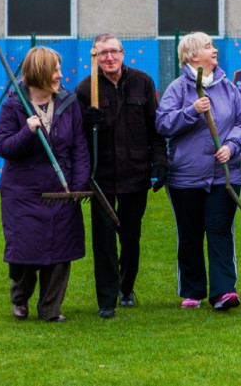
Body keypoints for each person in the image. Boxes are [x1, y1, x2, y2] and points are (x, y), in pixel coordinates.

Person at [155, 32, 241, 310]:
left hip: (225, 175)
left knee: (220, 230)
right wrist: (191, 111)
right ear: (192, 56)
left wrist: (232, 146)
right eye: (208, 46)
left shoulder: (228, 87)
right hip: (185, 177)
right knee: (190, 233)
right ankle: (192, 291)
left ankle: (224, 291)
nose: (214, 50)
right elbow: (163, 124)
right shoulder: (178, 89)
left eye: (213, 45)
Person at [76, 34, 167, 319]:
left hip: (135, 174)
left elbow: (156, 128)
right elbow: (76, 138)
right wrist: (87, 123)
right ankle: (107, 300)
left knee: (130, 236)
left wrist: (159, 162)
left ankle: (126, 287)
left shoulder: (143, 82)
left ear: (123, 54)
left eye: (113, 52)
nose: (109, 58)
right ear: (95, 58)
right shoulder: (85, 89)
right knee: (103, 240)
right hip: (101, 176)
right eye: (102, 53)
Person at [0, 46, 90, 322]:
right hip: (22, 191)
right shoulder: (13, 105)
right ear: (38, 72)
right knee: (25, 252)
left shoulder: (68, 102)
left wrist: (77, 185)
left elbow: (79, 148)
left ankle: (50, 309)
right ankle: (20, 297)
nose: (60, 75)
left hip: (61, 190)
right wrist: (28, 131)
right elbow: (4, 147)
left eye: (59, 68)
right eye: (55, 70)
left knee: (61, 251)